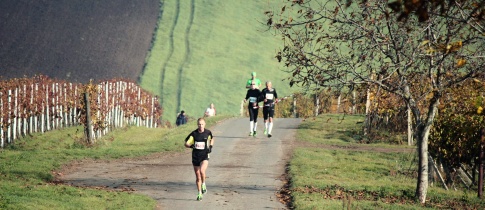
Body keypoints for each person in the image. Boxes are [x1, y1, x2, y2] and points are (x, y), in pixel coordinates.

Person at [184, 118, 214, 201]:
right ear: (197, 125)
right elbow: (186, 143)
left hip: (204, 156)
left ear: (205, 124)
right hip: (196, 156)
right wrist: (190, 146)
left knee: (202, 171)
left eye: (202, 124)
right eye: (199, 124)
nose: (200, 126)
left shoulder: (208, 132)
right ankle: (199, 193)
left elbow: (212, 139)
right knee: (197, 177)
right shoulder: (194, 134)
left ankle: (203, 184)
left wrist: (210, 146)